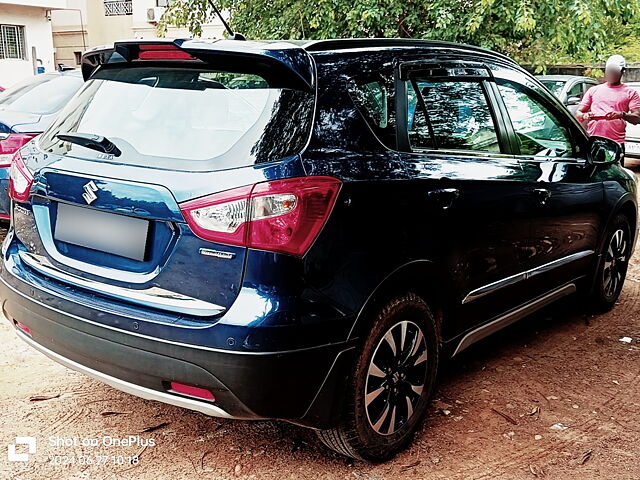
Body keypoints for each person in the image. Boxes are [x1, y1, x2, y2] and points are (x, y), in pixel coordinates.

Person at [576, 54, 640, 165]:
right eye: (609, 70)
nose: (611, 74)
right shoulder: (594, 90)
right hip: (594, 141)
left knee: (614, 176)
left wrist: (622, 114)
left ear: (622, 71)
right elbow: (578, 113)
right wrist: (584, 116)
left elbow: (637, 118)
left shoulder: (631, 92)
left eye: (615, 71)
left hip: (616, 143)